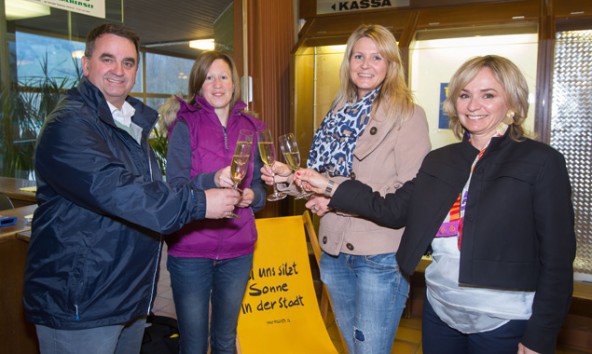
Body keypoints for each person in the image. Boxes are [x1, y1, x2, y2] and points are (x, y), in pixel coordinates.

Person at [296, 55, 576, 354]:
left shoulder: (541, 161)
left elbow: (557, 259)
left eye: (488, 95)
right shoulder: (441, 160)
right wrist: (329, 186)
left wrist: (540, 336)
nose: (473, 105)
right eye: (464, 95)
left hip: (504, 320)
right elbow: (391, 209)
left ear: (513, 102)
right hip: (441, 312)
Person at [23, 24, 240, 354]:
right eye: (107, 59)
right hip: (82, 303)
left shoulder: (130, 121)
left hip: (127, 297)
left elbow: (149, 189)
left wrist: (207, 188)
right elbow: (119, 191)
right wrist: (200, 202)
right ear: (86, 64)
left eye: (128, 62)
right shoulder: (70, 124)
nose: (118, 70)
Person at [262, 24, 431, 353]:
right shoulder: (337, 113)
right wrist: (287, 177)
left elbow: (407, 192)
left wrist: (334, 195)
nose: (365, 64)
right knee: (352, 348)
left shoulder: (408, 115)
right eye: (358, 56)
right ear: (348, 62)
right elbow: (319, 180)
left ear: (391, 64)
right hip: (334, 252)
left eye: (376, 57)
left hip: (379, 255)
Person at [160, 50, 266, 354]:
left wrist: (252, 196)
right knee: (193, 345)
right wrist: (211, 179)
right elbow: (176, 187)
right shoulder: (183, 126)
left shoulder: (252, 128)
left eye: (223, 77)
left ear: (234, 85)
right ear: (199, 84)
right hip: (191, 250)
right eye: (209, 77)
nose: (217, 84)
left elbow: (259, 186)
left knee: (225, 340)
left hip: (238, 250)